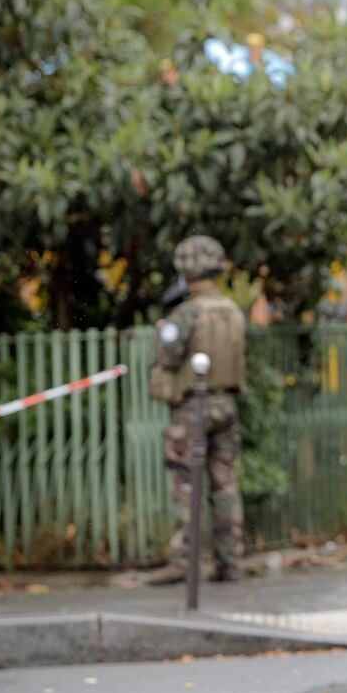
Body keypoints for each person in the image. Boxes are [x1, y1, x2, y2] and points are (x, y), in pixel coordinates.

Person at [144, 235, 248, 586]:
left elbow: (166, 356)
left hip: (193, 408)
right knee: (225, 485)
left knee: (186, 487)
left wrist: (161, 335)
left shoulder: (187, 313)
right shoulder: (232, 311)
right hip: (227, 405)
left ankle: (182, 563)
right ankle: (229, 563)